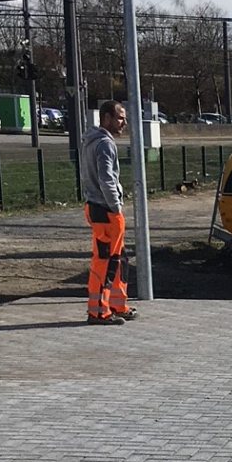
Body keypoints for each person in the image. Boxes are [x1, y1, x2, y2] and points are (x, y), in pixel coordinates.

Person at [78, 101, 136, 324]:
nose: (124, 123)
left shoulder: (92, 142)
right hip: (106, 210)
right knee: (106, 262)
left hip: (98, 208)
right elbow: (106, 179)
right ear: (107, 118)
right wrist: (116, 207)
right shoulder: (104, 144)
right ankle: (98, 311)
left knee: (119, 259)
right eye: (120, 118)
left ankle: (116, 304)